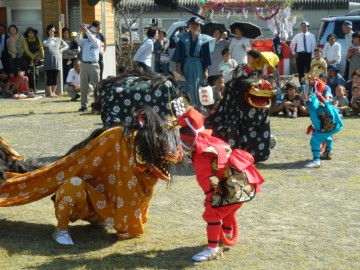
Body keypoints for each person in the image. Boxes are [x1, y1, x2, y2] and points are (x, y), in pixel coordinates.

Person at [0, 105, 182, 245]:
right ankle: (61, 230)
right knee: (72, 185)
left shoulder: (144, 146)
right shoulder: (114, 138)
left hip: (112, 206)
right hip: (92, 204)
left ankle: (112, 221)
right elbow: (72, 168)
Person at [176, 107, 264, 262]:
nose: (183, 143)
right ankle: (227, 234)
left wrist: (210, 195)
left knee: (213, 212)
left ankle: (213, 249)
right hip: (244, 180)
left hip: (236, 184)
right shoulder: (211, 139)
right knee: (225, 209)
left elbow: (202, 178)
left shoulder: (200, 151)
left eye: (184, 140)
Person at [171, 16, 213, 108]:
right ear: (189, 26)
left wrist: (206, 70)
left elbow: (207, 56)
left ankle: (198, 108)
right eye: (192, 24)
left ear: (199, 26)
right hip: (186, 65)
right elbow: (179, 54)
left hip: (198, 65)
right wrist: (179, 69)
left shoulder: (205, 40)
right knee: (186, 86)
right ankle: (187, 107)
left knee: (198, 85)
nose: (194, 26)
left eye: (197, 24)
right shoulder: (182, 38)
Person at [304, 78, 343, 168]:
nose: (306, 90)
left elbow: (315, 120)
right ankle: (327, 153)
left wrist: (317, 131)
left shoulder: (311, 101)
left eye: (308, 88)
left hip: (330, 124)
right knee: (327, 136)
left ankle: (316, 161)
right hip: (337, 123)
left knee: (315, 140)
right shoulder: (318, 96)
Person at [76, 25, 100, 112]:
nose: (90, 34)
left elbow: (92, 39)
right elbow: (77, 39)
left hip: (93, 65)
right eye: (90, 32)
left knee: (96, 86)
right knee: (83, 86)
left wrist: (86, 31)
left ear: (95, 34)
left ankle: (98, 104)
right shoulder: (85, 41)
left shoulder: (97, 41)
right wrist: (80, 31)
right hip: (84, 65)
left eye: (93, 32)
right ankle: (83, 105)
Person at [43, 24, 69, 98]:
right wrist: (50, 37)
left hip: (56, 60)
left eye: (53, 31)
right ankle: (50, 93)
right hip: (48, 60)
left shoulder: (58, 39)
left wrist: (60, 50)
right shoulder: (45, 39)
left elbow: (66, 46)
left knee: (55, 77)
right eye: (51, 31)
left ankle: (54, 92)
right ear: (48, 31)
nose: (52, 32)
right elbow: (45, 44)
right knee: (49, 76)